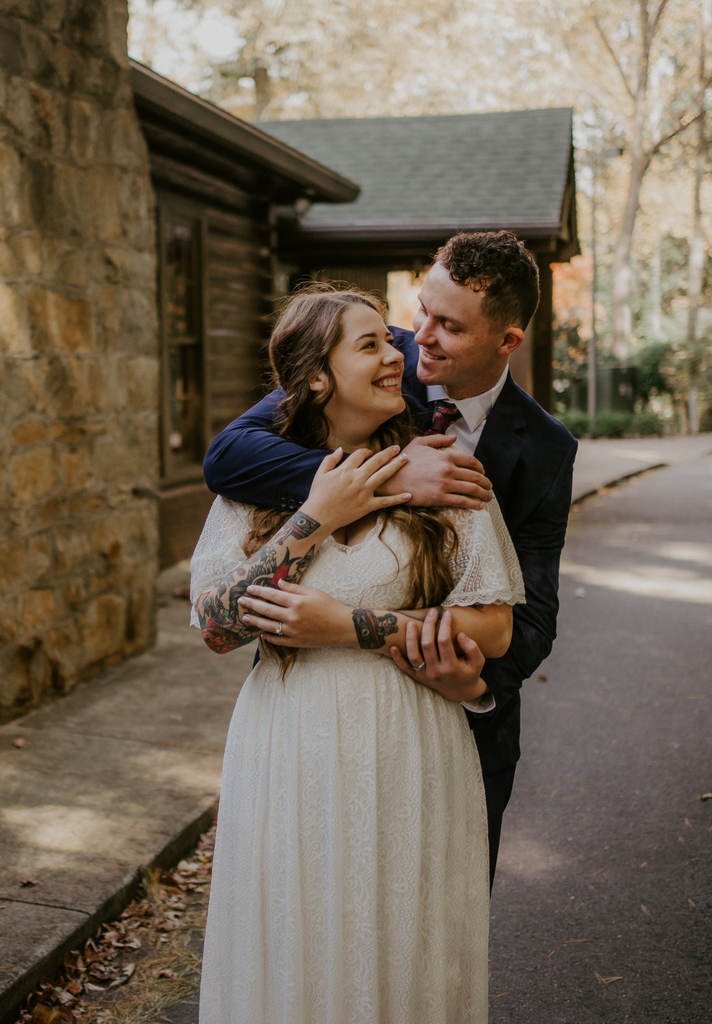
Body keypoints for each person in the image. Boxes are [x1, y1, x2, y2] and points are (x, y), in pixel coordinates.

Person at [191, 284, 525, 1023]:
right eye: (371, 344)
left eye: (392, 342)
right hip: (288, 747)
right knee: (296, 943)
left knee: (402, 944)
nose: (399, 355)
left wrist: (347, 625)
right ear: (317, 376)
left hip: (411, 745)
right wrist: (313, 520)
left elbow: (494, 628)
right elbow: (217, 628)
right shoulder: (257, 484)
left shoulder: (439, 471)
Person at [204, 231, 578, 887]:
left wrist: (479, 686)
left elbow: (531, 619)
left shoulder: (546, 451)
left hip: (456, 726)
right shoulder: (369, 365)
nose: (419, 338)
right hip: (310, 720)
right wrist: (391, 472)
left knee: (434, 934)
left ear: (506, 342)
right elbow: (228, 456)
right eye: (421, 310)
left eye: (448, 327)